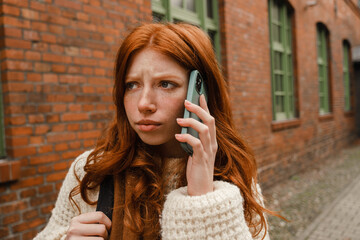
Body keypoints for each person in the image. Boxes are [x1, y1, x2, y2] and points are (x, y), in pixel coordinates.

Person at [34, 22, 276, 240]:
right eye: (132, 85)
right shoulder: (91, 169)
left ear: (199, 92)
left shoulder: (232, 174)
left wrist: (204, 198)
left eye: (166, 84)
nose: (144, 103)